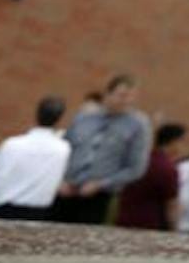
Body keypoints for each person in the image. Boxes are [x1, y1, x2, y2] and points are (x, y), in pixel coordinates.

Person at [54, 73, 149, 224]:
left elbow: (136, 168)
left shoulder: (138, 126)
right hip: (66, 190)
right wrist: (60, 180)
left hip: (98, 196)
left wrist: (101, 184)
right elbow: (64, 149)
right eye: (122, 95)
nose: (127, 101)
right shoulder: (84, 117)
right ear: (108, 94)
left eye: (131, 97)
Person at [0, 95, 70, 219]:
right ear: (59, 120)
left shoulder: (12, 144)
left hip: (3, 209)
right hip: (37, 214)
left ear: (37, 114)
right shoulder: (63, 149)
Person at [115, 122, 185, 230]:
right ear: (174, 142)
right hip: (151, 227)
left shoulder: (137, 160)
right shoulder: (167, 169)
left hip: (123, 221)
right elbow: (171, 206)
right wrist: (175, 229)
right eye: (182, 142)